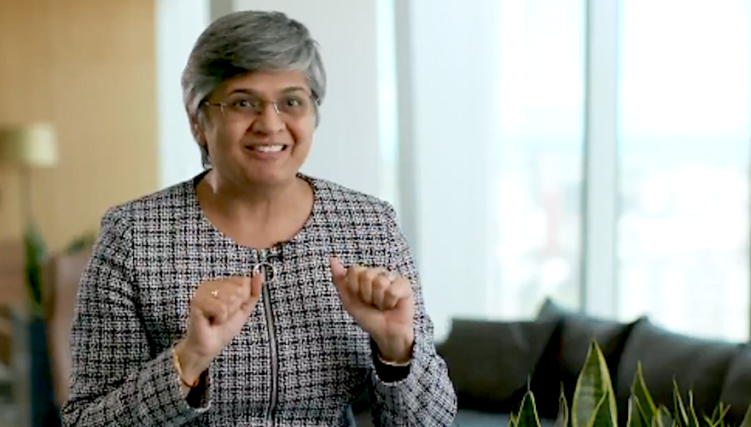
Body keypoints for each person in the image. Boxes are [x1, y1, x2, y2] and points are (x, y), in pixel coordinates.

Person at [60, 10, 457, 427]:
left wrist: (398, 350)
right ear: (198, 121)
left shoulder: (370, 226)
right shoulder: (133, 236)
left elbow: (432, 423)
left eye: (291, 101)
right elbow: (87, 422)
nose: (270, 124)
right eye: (242, 102)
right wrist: (188, 359)